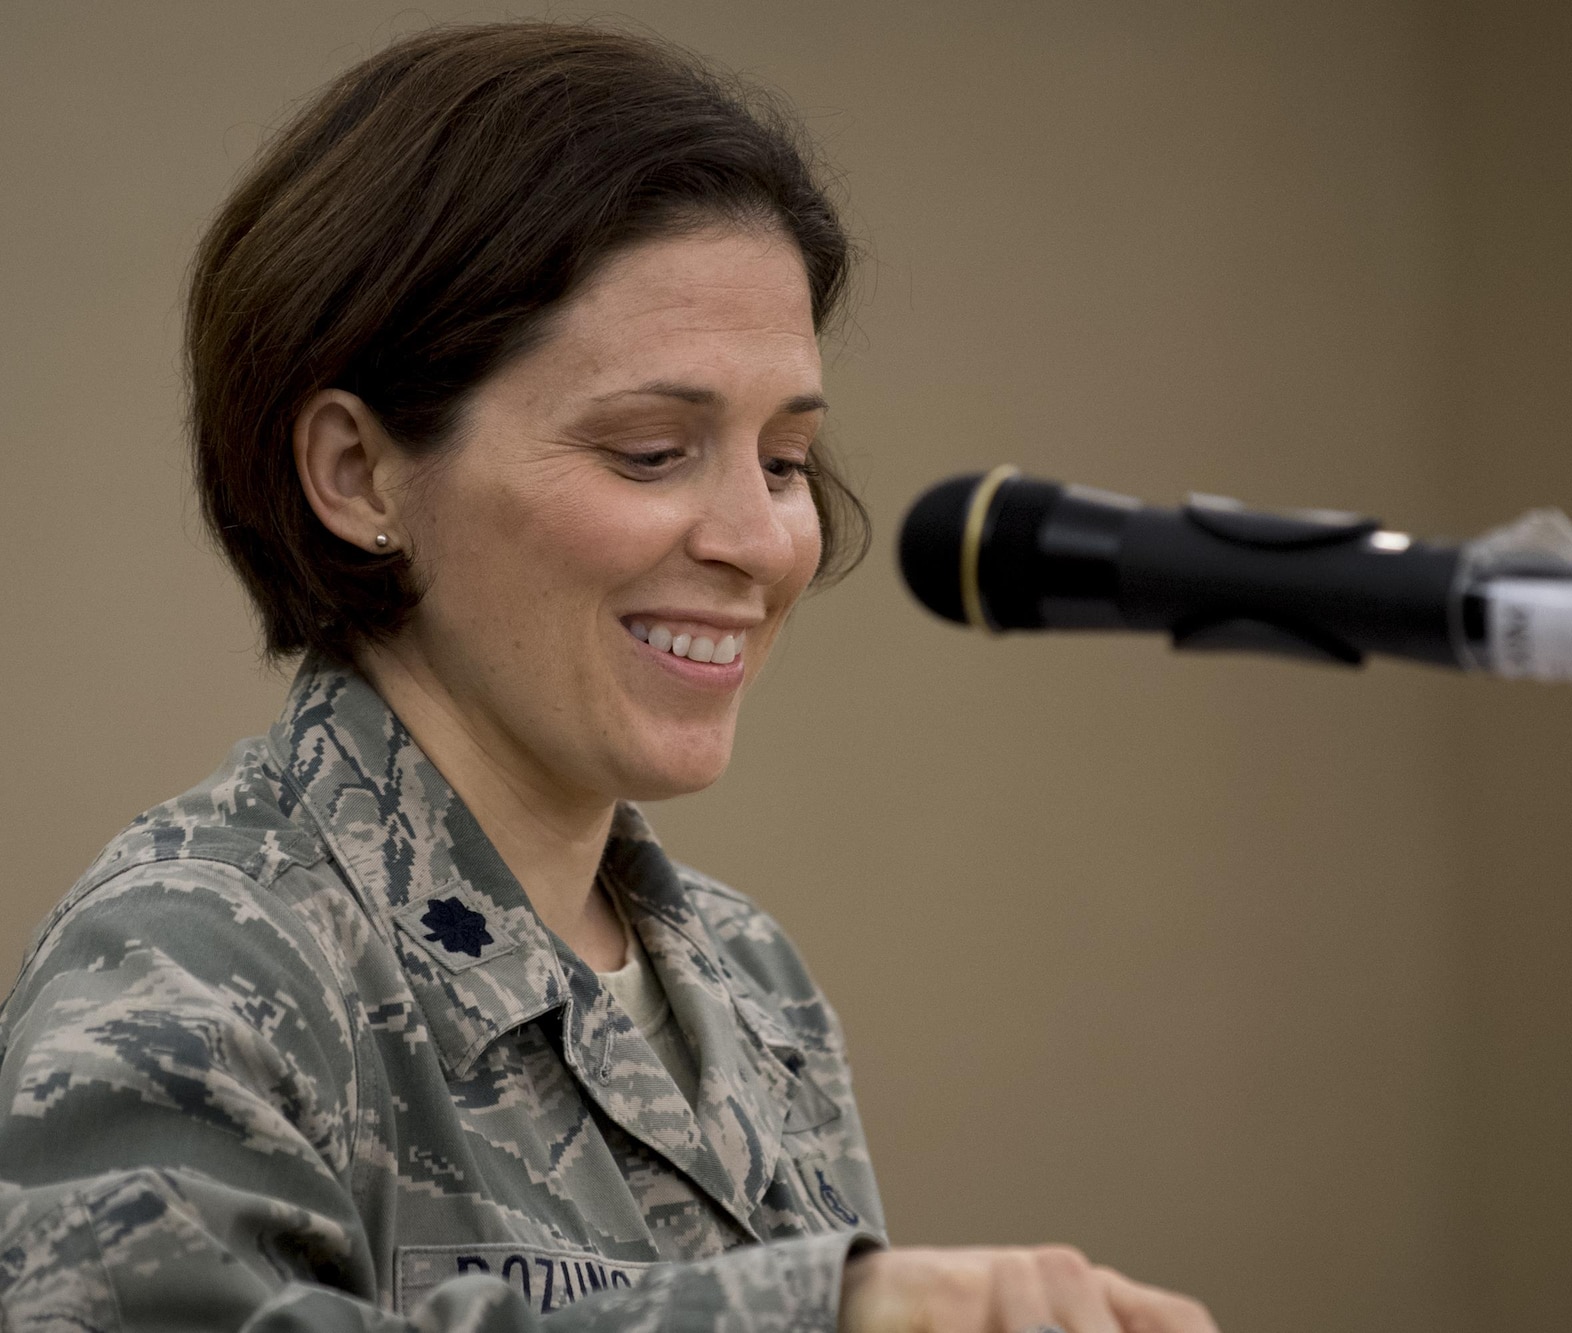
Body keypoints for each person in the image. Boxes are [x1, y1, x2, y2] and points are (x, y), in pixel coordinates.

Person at [0, 21, 1219, 1333]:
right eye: (651, 449)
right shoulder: (195, 956)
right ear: (357, 472)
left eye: (787, 460)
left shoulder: (754, 985)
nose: (760, 541)